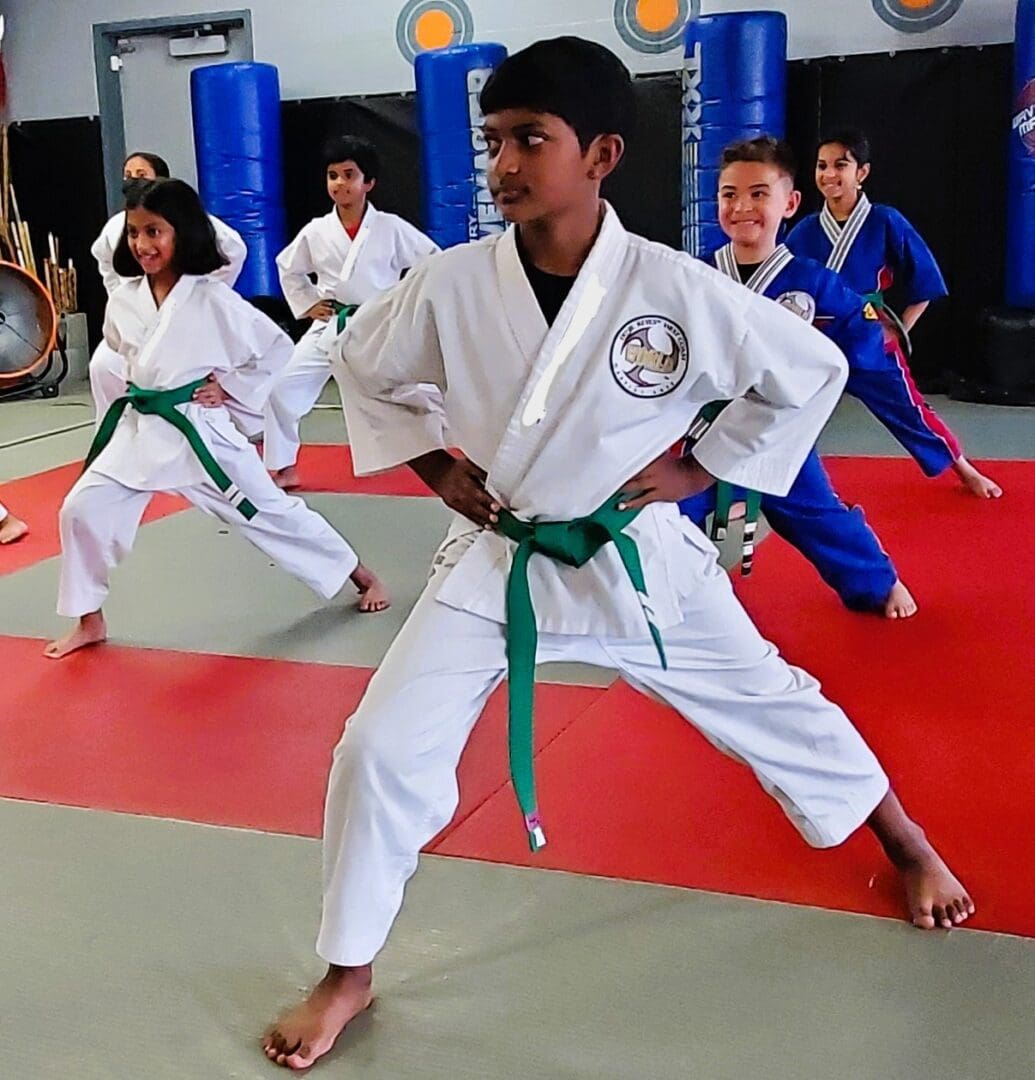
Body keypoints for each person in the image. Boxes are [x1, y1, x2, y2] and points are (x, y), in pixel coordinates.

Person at [263, 39, 972, 1072]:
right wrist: (429, 463)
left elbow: (809, 367)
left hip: (634, 556)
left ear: (600, 153)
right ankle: (349, 968)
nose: (503, 162)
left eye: (529, 140)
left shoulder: (673, 286)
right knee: (377, 749)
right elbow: (360, 358)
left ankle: (907, 843)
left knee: (774, 705)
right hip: (498, 555)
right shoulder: (453, 284)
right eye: (492, 140)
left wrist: (706, 467)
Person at [45, 179, 388, 660]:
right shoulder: (125, 297)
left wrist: (227, 388)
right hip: (142, 428)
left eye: (155, 232)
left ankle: (359, 573)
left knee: (268, 510)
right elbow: (120, 354)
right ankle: (89, 618)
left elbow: (274, 349)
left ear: (182, 233)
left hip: (197, 432)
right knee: (81, 508)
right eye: (136, 232)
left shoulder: (210, 298)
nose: (143, 245)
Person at [681, 136, 916, 618]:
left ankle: (878, 582)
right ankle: (658, 599)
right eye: (729, 194)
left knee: (817, 515)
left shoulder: (816, 283)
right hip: (705, 430)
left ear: (789, 203)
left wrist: (930, 435)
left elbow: (867, 353)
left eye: (759, 194)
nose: (742, 206)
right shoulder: (694, 276)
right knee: (668, 512)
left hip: (778, 432)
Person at [786, 128, 1001, 499]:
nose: (829, 174)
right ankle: (754, 487)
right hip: (816, 337)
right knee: (779, 411)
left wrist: (899, 332)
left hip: (867, 334)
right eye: (822, 166)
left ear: (862, 173)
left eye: (841, 165)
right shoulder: (806, 230)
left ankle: (963, 468)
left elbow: (925, 280)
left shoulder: (885, 221)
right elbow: (780, 279)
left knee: (908, 408)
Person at [264, 135, 439, 489]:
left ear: (368, 182)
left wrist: (404, 303)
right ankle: (283, 466)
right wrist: (308, 303)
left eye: (349, 174)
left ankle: (451, 449)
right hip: (332, 324)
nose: (340, 183)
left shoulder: (390, 227)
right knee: (282, 388)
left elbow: (433, 262)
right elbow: (288, 267)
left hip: (379, 325)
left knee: (418, 389)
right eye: (333, 175)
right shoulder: (316, 231)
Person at [88, 151, 251, 432]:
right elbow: (104, 258)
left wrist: (196, 289)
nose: (133, 182)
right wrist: (123, 297)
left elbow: (234, 251)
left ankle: (227, 425)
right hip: (139, 318)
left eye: (142, 176)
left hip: (188, 321)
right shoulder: (117, 226)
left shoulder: (195, 226)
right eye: (128, 176)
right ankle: (114, 433)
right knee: (103, 364)